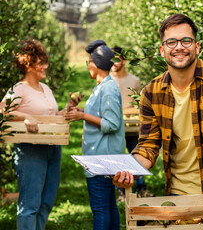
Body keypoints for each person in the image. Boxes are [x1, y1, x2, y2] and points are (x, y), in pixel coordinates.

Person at [112, 14, 203, 214]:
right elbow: (148, 146)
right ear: (162, 50)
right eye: (171, 42)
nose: (179, 47)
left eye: (186, 40)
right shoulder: (152, 92)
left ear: (197, 47)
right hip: (177, 196)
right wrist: (128, 169)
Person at [1, 39, 78, 230]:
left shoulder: (46, 88)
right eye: (41, 63)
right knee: (30, 205)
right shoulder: (18, 89)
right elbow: (2, 111)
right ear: (28, 65)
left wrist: (66, 109)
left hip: (53, 150)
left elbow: (50, 118)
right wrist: (25, 116)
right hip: (31, 151)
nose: (45, 66)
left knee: (46, 203)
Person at [65, 40, 125, 230]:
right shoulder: (102, 87)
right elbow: (101, 116)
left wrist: (82, 115)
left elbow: (112, 124)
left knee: (100, 209)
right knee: (108, 207)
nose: (88, 66)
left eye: (89, 62)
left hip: (102, 159)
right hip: (103, 156)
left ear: (97, 64)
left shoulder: (107, 89)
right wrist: (81, 111)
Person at [110, 46, 153, 198]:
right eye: (112, 59)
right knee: (117, 157)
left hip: (133, 125)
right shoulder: (108, 81)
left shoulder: (134, 80)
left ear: (124, 60)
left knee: (136, 154)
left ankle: (141, 187)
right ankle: (120, 190)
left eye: (118, 59)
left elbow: (138, 103)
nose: (114, 62)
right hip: (114, 126)